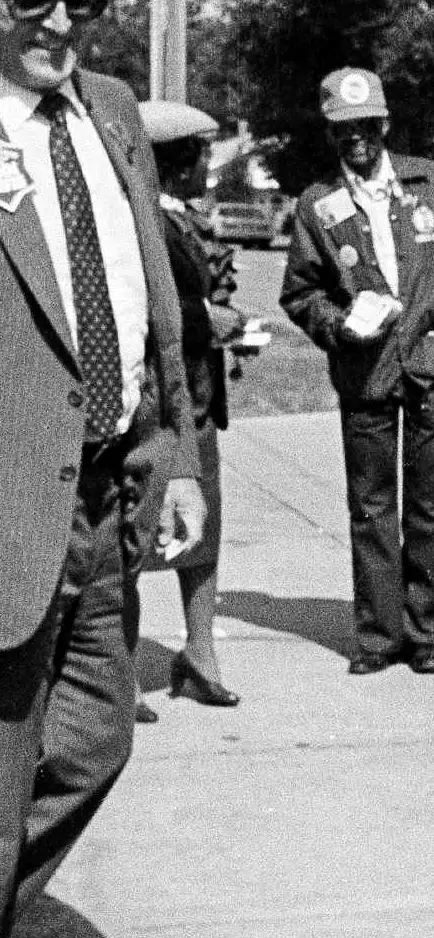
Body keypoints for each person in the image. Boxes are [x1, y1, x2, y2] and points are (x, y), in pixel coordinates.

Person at [0, 0, 204, 938]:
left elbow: (147, 302)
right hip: (6, 505)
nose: (62, 22)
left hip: (106, 499)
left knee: (91, 747)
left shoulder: (113, 114)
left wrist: (173, 447)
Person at [279, 68, 434, 675]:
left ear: (384, 124)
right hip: (365, 372)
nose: (356, 138)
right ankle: (378, 636)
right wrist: (338, 324)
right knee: (371, 506)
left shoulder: (429, 183)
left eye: (365, 125)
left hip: (433, 363)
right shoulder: (317, 206)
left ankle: (425, 629)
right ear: (331, 134)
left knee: (432, 501)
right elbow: (300, 294)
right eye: (343, 129)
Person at [138, 98, 248, 708]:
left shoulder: (179, 218)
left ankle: (199, 652)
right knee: (138, 533)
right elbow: (150, 311)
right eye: (201, 153)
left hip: (197, 400)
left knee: (203, 532)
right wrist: (213, 318)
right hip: (152, 403)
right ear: (175, 160)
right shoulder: (138, 220)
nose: (208, 165)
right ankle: (121, 671)